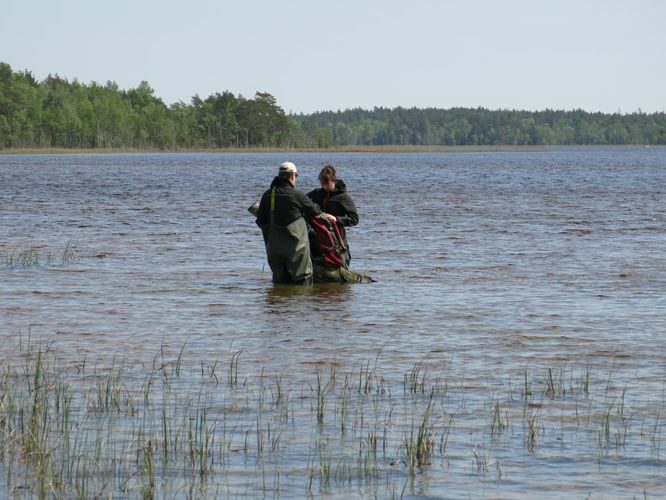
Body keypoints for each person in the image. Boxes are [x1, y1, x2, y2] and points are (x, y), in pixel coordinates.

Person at [255, 161, 336, 284]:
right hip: (296, 252)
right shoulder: (297, 195)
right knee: (302, 286)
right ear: (293, 175)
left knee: (279, 288)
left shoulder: (267, 195)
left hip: (274, 252)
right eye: (296, 177)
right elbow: (315, 211)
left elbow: (260, 221)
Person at [307, 165, 359, 267]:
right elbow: (302, 200)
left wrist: (337, 219)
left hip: (338, 238)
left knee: (339, 263)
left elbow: (354, 219)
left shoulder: (343, 197)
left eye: (327, 184)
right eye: (322, 184)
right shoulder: (317, 193)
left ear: (334, 181)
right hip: (318, 237)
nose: (325, 186)